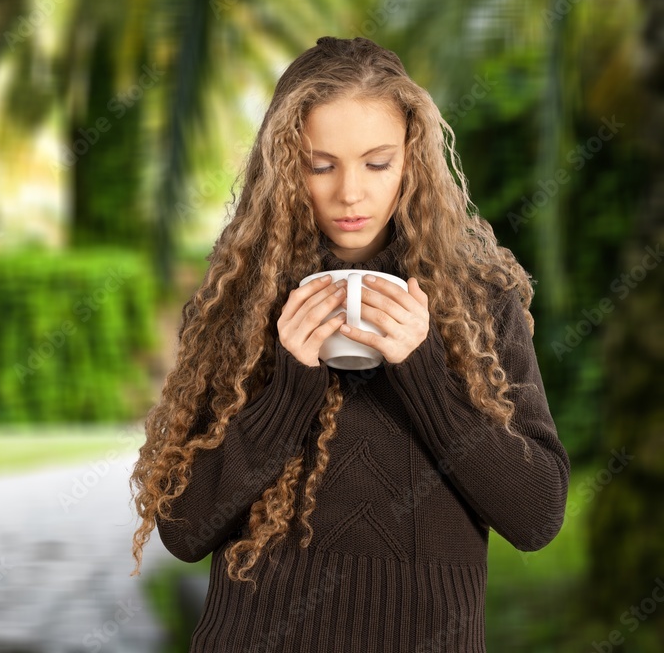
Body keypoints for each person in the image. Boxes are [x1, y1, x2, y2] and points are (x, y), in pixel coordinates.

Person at [127, 35, 570, 652]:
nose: (350, 194)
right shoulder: (239, 299)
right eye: (321, 164)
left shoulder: (480, 300)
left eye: (376, 162)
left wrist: (424, 375)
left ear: (412, 162)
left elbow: (537, 516)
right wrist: (289, 388)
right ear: (286, 166)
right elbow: (182, 528)